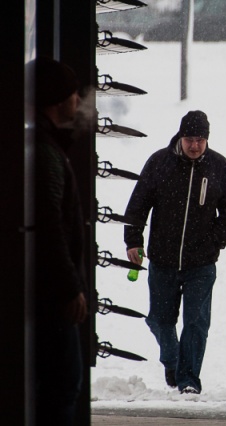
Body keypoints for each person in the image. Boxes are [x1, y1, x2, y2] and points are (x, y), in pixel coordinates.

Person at [124, 110, 226, 395]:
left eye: (200, 140)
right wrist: (133, 240)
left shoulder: (218, 167)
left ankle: (188, 380)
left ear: (207, 140)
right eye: (190, 139)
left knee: (196, 323)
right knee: (159, 319)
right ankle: (173, 360)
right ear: (181, 137)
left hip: (201, 264)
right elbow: (138, 203)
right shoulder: (159, 163)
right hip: (162, 260)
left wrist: (216, 241)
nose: (194, 145)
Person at [31, 56, 88, 425]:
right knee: (63, 386)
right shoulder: (47, 153)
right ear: (56, 99)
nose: (79, 102)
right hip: (54, 298)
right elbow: (49, 225)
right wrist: (70, 287)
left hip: (50, 294)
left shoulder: (47, 145)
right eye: (72, 94)